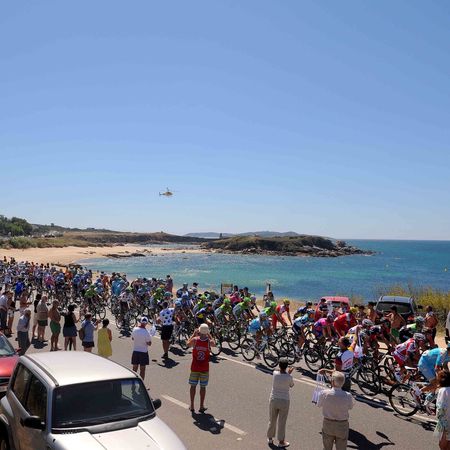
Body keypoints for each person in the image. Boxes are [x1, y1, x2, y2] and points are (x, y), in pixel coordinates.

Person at [317, 371, 354, 450]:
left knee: (327, 447)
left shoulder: (324, 393)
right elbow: (350, 407)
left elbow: (319, 405)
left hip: (328, 423)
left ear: (332, 382)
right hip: (342, 424)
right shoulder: (348, 395)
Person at [267, 358, 294, 448]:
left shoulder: (275, 373)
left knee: (272, 419)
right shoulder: (289, 377)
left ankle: (270, 438)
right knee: (282, 422)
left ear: (279, 365)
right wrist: (289, 373)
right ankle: (281, 441)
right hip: (284, 400)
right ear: (287, 367)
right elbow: (291, 385)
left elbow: (279, 372)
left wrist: (287, 373)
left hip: (274, 399)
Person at [188, 323, 215, 413]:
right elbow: (214, 344)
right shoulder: (209, 342)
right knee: (203, 387)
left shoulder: (195, 340)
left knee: (193, 386)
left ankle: (192, 405)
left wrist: (193, 334)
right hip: (204, 368)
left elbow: (187, 344)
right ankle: (201, 405)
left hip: (195, 367)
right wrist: (209, 335)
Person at [131, 317, 152, 381]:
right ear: (146, 323)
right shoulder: (146, 332)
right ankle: (141, 383)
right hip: (143, 353)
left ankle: (133, 382)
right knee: (142, 370)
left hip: (135, 351)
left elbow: (133, 338)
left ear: (140, 322)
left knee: (134, 369)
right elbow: (149, 343)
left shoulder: (134, 329)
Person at [435, 370, 450, 450]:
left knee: (442, 445)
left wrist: (439, 418)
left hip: (446, 421)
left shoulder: (443, 390)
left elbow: (440, 407)